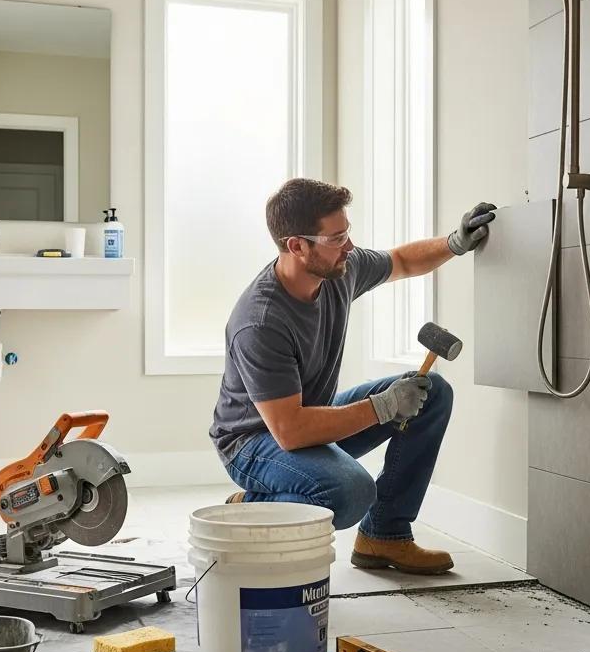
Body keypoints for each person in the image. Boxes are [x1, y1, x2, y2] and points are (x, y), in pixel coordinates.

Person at [210, 178, 495, 576]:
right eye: (337, 237)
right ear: (297, 245)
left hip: (308, 417)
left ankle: (385, 535)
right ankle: (254, 506)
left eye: (347, 233)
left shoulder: (339, 269)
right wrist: (384, 407)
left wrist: (454, 242)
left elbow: (402, 261)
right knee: (350, 492)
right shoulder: (260, 321)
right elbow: (290, 431)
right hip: (254, 441)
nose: (349, 245)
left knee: (433, 392)